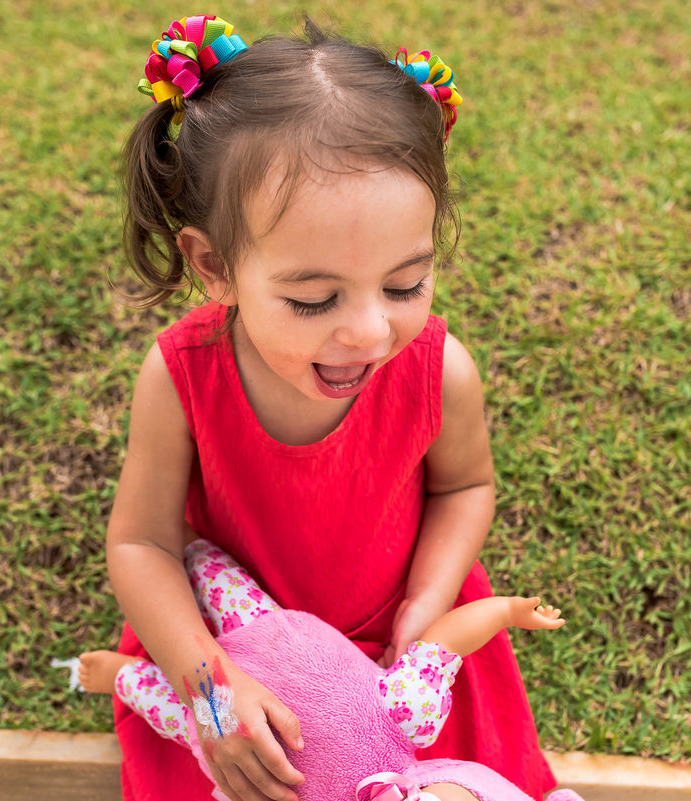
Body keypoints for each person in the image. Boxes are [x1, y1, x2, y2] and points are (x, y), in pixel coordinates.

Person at [105, 13, 560, 801]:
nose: (371, 331)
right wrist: (209, 691)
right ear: (214, 265)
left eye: (405, 284)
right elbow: (142, 542)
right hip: (234, 657)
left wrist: (426, 605)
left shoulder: (437, 371)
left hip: (393, 650)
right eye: (314, 299)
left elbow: (464, 486)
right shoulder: (181, 376)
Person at [78, 539, 582, 801]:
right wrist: (504, 611)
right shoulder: (410, 713)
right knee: (214, 576)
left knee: (171, 709)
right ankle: (187, 548)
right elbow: (443, 643)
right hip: (275, 644)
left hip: (229, 737)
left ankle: (119, 676)